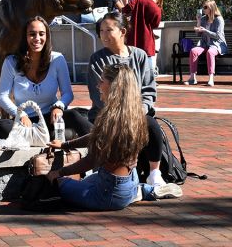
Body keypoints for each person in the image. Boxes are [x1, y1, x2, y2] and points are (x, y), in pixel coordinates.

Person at [46, 64, 182, 211]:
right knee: (86, 181)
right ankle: (144, 190)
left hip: (109, 193)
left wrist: (59, 173)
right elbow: (95, 137)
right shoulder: (133, 115)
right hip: (128, 179)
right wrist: (65, 145)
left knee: (62, 184)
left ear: (113, 86)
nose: (98, 85)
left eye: (102, 81)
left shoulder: (111, 118)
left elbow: (92, 160)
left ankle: (135, 193)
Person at [87, 12, 165, 186]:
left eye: (109, 30)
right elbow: (99, 95)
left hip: (137, 113)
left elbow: (149, 91)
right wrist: (125, 114)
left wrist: (139, 111)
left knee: (150, 123)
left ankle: (154, 173)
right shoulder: (97, 59)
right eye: (101, 31)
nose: (104, 35)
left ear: (122, 31)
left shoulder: (140, 56)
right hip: (107, 115)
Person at [0, 16, 93, 140]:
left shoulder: (57, 59)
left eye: (41, 34)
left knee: (73, 115)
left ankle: (104, 142)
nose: (37, 39)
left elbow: (67, 93)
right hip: (25, 122)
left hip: (51, 118)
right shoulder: (11, 62)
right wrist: (20, 114)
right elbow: (2, 96)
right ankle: (53, 136)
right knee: (2, 126)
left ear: (47, 36)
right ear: (24, 37)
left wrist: (58, 106)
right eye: (32, 34)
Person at [185, 0, 227, 87]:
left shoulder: (219, 19)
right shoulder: (204, 19)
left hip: (217, 44)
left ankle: (211, 78)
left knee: (210, 52)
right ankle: (192, 78)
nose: (203, 9)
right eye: (203, 7)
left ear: (211, 8)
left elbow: (218, 36)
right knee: (193, 51)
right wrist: (198, 21)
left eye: (205, 7)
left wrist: (205, 30)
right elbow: (198, 34)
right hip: (205, 44)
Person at [122, 0, 163, 71]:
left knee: (131, 67)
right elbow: (155, 25)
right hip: (146, 40)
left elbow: (125, 9)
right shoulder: (156, 9)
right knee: (148, 71)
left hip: (133, 38)